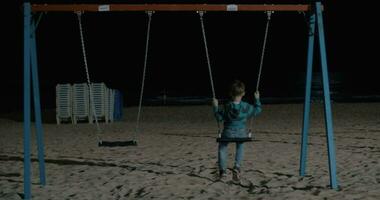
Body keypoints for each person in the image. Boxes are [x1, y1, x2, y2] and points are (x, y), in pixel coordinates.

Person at [212, 80, 262, 182]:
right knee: (240, 145)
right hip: (241, 132)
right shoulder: (246, 107)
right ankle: (237, 167)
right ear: (243, 93)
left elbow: (219, 118)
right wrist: (257, 99)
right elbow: (257, 110)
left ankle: (223, 171)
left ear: (230, 93)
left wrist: (215, 107)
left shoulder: (227, 106)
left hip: (228, 132)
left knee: (222, 147)